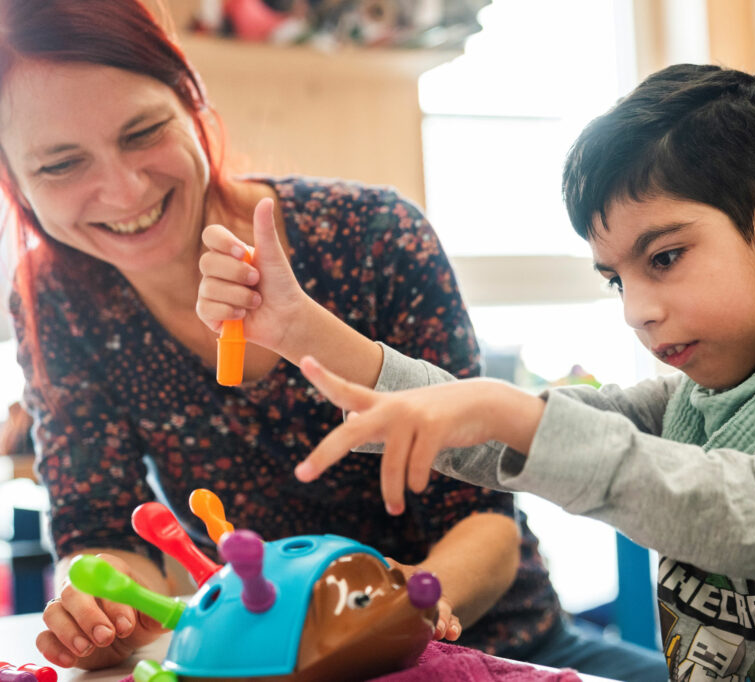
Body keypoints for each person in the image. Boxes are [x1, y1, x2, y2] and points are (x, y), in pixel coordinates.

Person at [199, 64, 755, 681]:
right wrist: (302, 331)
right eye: (616, 279)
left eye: (664, 257)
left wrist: (516, 415)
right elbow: (493, 436)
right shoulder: (695, 403)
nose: (637, 310)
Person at [0, 1, 667, 679]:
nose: (122, 189)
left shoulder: (370, 236)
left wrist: (394, 613)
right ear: (13, 179)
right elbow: (101, 529)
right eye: (60, 166)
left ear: (190, 99)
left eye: (143, 132)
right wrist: (104, 603)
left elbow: (486, 522)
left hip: (503, 651)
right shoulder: (58, 300)